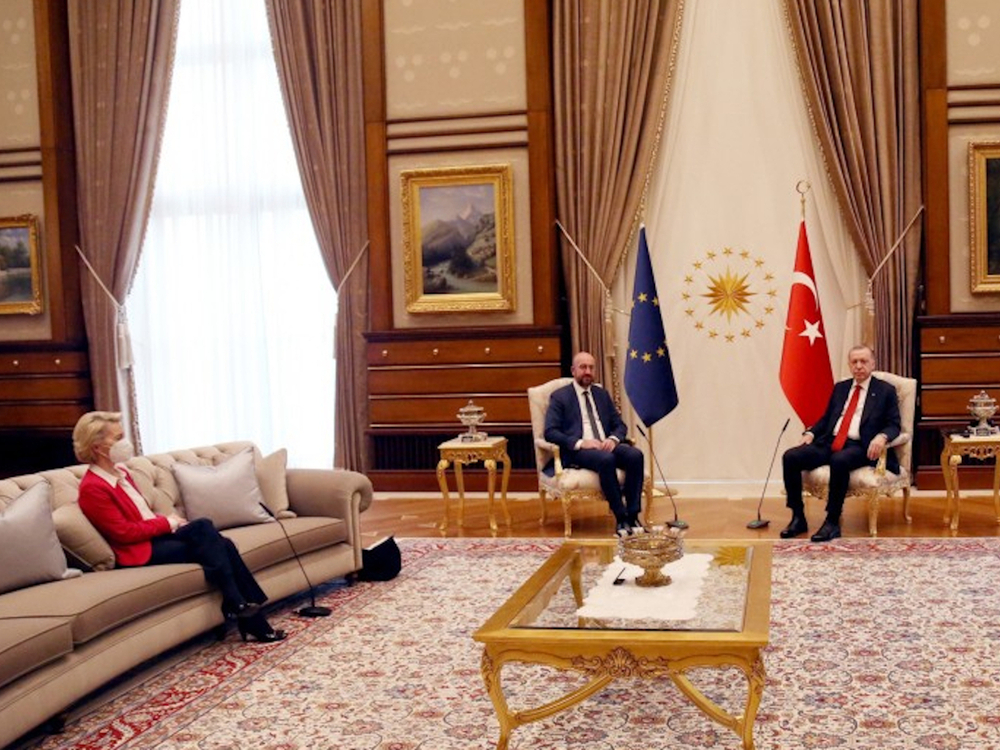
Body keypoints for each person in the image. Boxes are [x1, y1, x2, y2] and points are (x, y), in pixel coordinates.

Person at [73, 411, 286, 642]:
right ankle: (245, 610)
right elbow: (123, 533)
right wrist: (167, 523)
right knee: (220, 544)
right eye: (118, 438)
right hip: (139, 551)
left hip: (155, 537)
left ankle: (239, 605)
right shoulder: (92, 488)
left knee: (210, 533)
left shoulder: (121, 472)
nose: (125, 442)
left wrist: (168, 521)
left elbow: (141, 514)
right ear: (97, 447)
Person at [780, 345, 901, 543]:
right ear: (849, 365)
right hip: (830, 441)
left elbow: (894, 424)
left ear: (873, 364)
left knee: (839, 460)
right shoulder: (841, 388)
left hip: (860, 446)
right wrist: (811, 433)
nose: (859, 366)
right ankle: (798, 517)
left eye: (863, 361)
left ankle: (832, 521)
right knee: (791, 457)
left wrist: (882, 437)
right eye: (854, 362)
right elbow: (827, 418)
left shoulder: (885, 390)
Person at [544, 351, 646, 537]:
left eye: (591, 367)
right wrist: (581, 442)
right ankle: (621, 517)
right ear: (573, 371)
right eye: (583, 367)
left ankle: (633, 515)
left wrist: (613, 439)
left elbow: (619, 425)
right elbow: (550, 431)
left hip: (605, 445)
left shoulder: (601, 394)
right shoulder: (560, 397)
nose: (588, 371)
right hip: (579, 451)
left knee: (635, 455)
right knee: (606, 460)